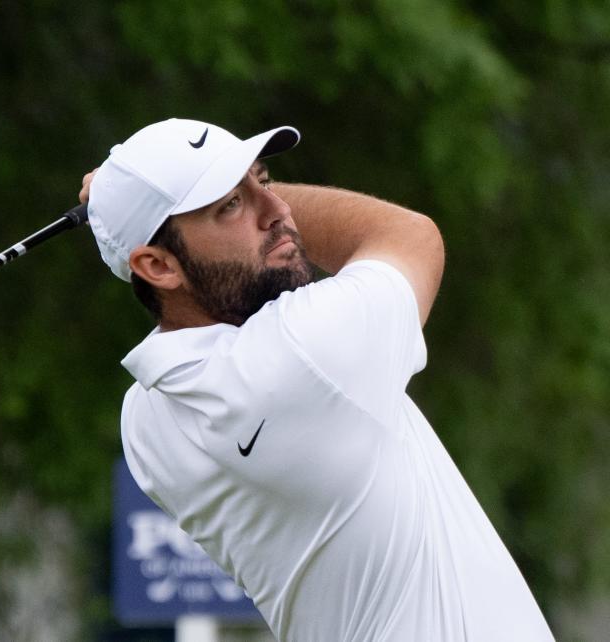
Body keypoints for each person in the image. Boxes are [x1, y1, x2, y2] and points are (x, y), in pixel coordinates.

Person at [79, 118, 555, 641]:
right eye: (230, 205)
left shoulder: (146, 422)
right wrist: (126, 196)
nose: (279, 210)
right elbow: (409, 234)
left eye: (262, 181)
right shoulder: (306, 352)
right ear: (158, 265)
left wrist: (132, 203)